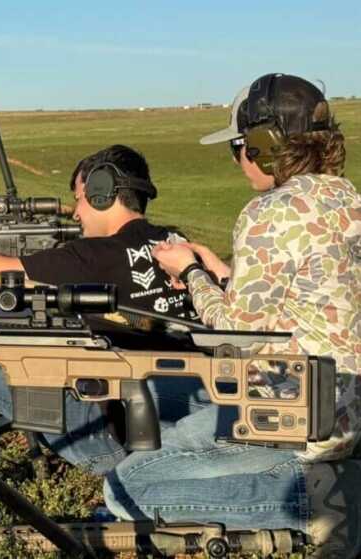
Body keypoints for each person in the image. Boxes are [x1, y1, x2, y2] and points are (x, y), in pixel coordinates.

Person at [103, 74, 361, 556]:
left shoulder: (268, 212)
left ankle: (318, 499)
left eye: (239, 146)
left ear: (264, 145)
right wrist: (222, 271)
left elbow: (232, 334)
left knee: (126, 486)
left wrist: (193, 272)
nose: (239, 159)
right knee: (172, 435)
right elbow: (293, 300)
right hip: (339, 403)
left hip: (294, 418)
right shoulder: (345, 198)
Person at [0, 144, 211, 473]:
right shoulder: (175, 242)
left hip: (119, 437)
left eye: (80, 199)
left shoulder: (93, 256)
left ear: (101, 193)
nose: (76, 213)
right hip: (190, 414)